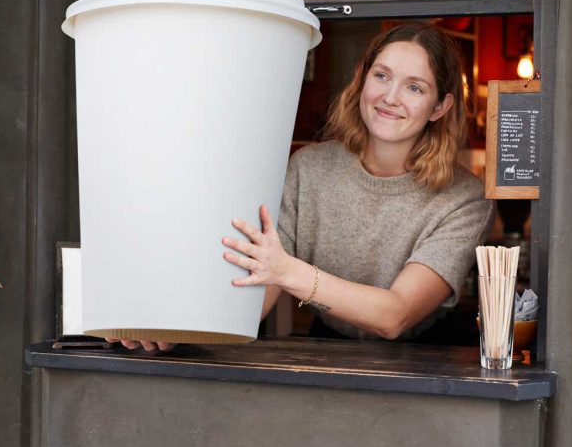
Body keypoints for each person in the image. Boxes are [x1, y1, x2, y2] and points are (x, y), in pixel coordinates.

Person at [113, 22, 494, 351]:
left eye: (414, 87)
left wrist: (285, 271)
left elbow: (395, 316)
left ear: (440, 107)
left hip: (427, 362)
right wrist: (174, 329)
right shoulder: (309, 168)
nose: (390, 97)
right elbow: (258, 291)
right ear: (362, 80)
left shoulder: (463, 199)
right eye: (381, 76)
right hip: (327, 349)